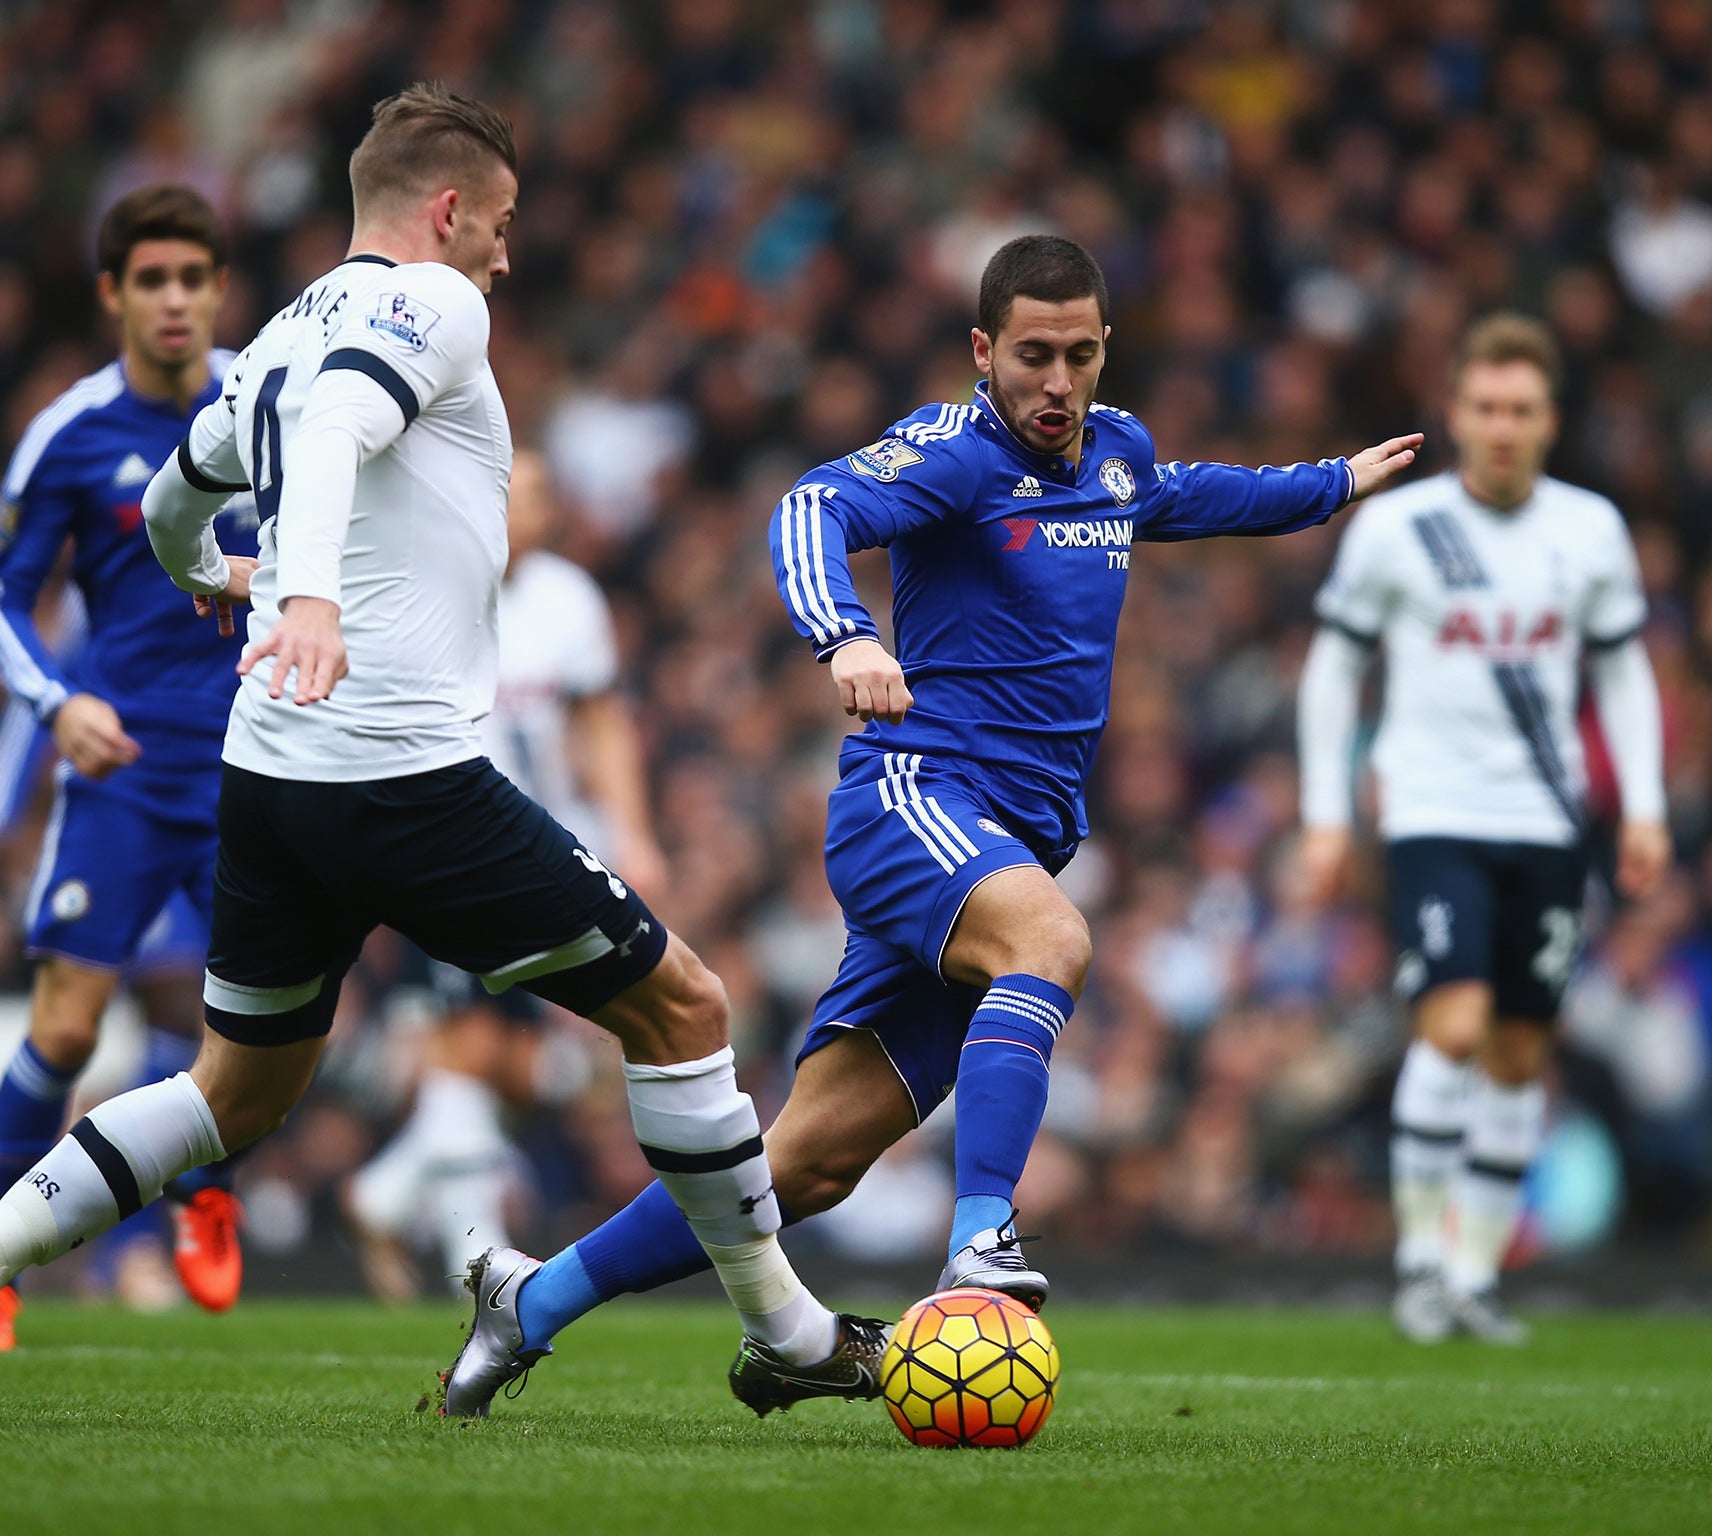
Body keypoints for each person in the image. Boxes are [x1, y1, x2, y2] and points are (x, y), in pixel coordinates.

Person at [0, 83, 865, 1429]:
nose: (507, 252)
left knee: (235, 1087)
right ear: (445, 211)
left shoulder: (269, 337)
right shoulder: (438, 302)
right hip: (401, 771)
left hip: (270, 776)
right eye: (497, 222)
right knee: (683, 1010)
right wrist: (308, 596)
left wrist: (213, 568)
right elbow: (336, 431)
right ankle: (786, 1330)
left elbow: (171, 500)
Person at [438, 233, 1424, 1416]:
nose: (1055, 384)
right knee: (1049, 943)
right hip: (914, 800)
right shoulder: (951, 453)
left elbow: (1190, 496)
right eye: (1030, 356)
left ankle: (528, 1305)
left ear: (1105, 351)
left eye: (1078, 355)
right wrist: (845, 636)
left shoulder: (1113, 456)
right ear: (981, 351)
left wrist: (1330, 485)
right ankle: (980, 1243)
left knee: (798, 1165)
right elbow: (809, 506)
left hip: (1000, 837)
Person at [1295, 313, 1669, 1345]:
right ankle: (1419, 1263)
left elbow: (1620, 668)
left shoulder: (1586, 529)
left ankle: (1470, 1276)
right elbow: (1333, 667)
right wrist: (1326, 813)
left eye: (1520, 409)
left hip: (1547, 826)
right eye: (1483, 408)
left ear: (1547, 421)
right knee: (1450, 1027)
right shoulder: (1396, 529)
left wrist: (1639, 802)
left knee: (1514, 1053)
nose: (1500, 427)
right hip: (1430, 813)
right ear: (1455, 414)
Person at [0, 184, 258, 1350]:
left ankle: (205, 1194)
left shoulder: (267, 404)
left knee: (249, 1022)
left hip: (252, 761)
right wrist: (57, 700)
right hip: (123, 766)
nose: (175, 299)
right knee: (69, 1029)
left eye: (193, 277)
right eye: (152, 279)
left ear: (219, 288)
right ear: (113, 295)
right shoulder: (70, 433)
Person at [348, 447, 667, 1295]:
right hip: (444, 853)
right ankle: (478, 1261)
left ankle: (388, 1195)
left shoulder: (568, 600)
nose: (521, 510)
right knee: (469, 1046)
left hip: (544, 858)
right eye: (507, 494)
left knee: (526, 1071)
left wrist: (632, 833)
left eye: (536, 495)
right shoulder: (428, 591)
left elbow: (602, 723)